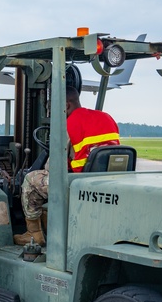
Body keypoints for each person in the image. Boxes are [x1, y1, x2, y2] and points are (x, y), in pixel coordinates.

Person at [14, 88, 120, 246]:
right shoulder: (106, 117)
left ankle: (34, 234)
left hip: (80, 183)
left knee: (30, 179)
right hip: (106, 180)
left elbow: (55, 166)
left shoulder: (70, 124)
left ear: (66, 105)